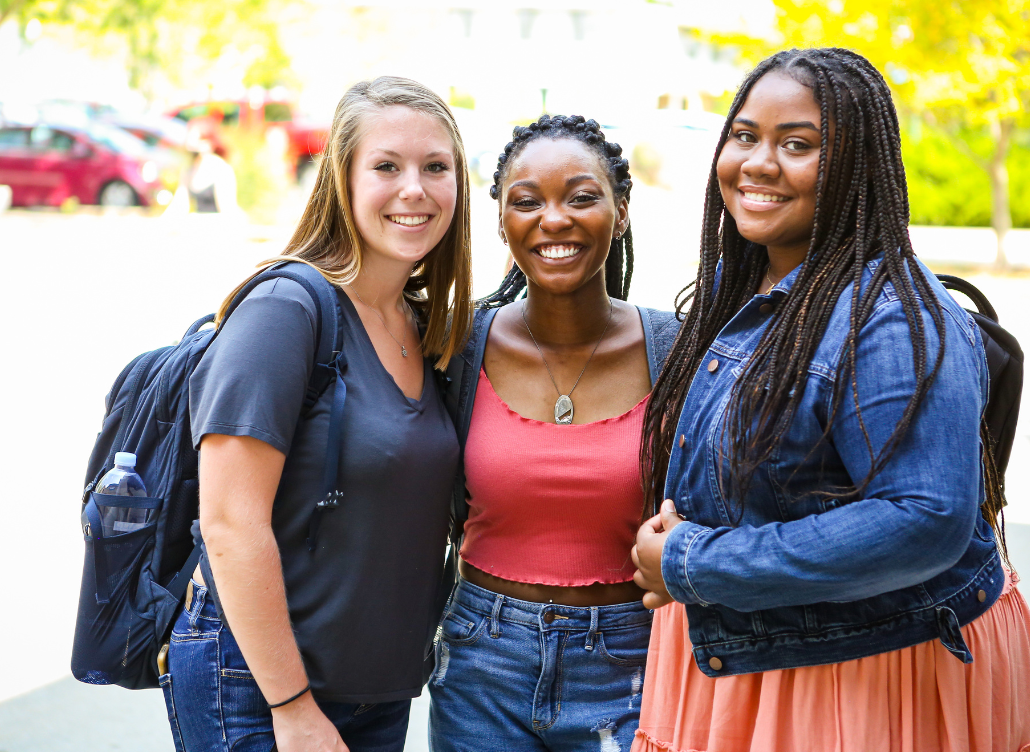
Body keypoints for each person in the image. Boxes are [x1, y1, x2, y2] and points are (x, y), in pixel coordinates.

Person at [631, 48, 1030, 752]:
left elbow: (924, 517)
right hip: (753, 650)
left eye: (798, 145)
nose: (758, 162)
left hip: (858, 673)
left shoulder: (891, 318)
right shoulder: (746, 280)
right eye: (746, 135)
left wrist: (695, 561)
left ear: (857, 166)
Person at [161, 77, 473, 752]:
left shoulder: (424, 327)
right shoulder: (287, 309)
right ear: (344, 178)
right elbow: (228, 522)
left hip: (377, 693)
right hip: (258, 685)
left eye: (436, 167)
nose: (414, 188)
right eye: (386, 166)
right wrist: (292, 704)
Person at [428, 114, 679, 752]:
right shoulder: (456, 346)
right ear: (503, 221)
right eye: (528, 201)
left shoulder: (678, 349)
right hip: (482, 659)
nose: (554, 219)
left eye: (582, 196)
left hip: (634, 659)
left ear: (621, 211)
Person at [165, 116, 240, 214]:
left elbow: (227, 212)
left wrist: (196, 220)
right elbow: (180, 204)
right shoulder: (190, 169)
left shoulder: (221, 169)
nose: (188, 137)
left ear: (207, 139)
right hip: (201, 225)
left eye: (192, 133)